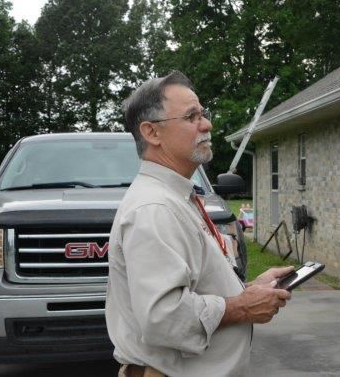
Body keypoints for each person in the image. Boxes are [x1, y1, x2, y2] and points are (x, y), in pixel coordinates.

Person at [106, 71, 293, 377]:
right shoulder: (154, 208)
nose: (207, 125)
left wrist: (247, 290)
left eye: (203, 114)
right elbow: (163, 317)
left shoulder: (176, 197)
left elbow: (193, 285)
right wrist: (242, 307)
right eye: (191, 116)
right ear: (152, 133)